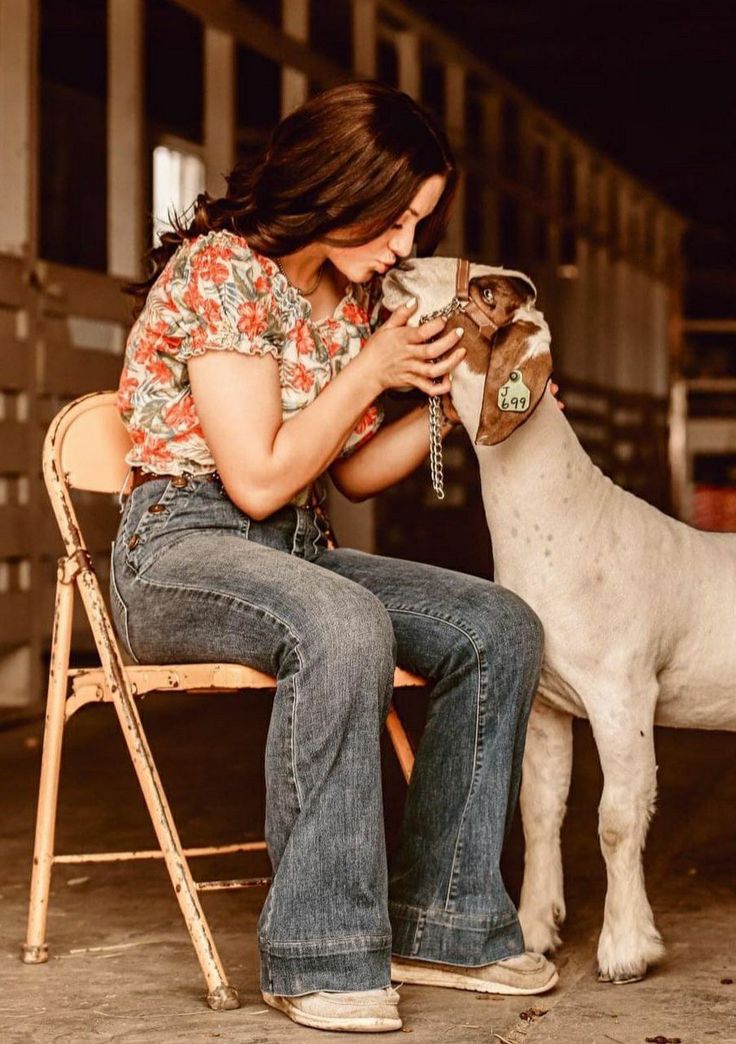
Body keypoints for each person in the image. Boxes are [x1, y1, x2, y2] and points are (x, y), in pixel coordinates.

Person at [111, 81, 557, 1034]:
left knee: (498, 624)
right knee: (343, 622)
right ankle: (318, 951)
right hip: (181, 549)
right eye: (394, 219)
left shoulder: (352, 300)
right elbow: (260, 481)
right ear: (335, 184)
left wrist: (452, 393)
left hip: (298, 554)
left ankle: (440, 920)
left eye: (419, 223)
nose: (403, 246)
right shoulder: (219, 271)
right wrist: (370, 371)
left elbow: (347, 478)